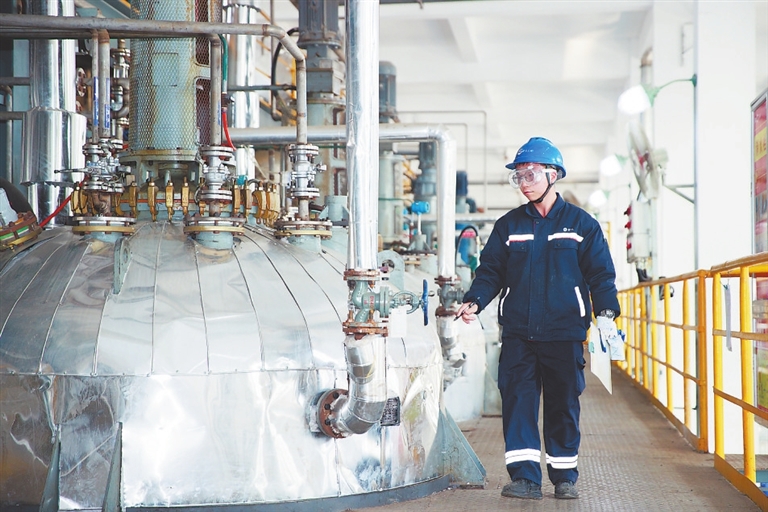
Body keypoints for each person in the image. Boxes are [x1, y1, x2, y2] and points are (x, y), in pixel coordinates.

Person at [456, 137, 621, 500]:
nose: (524, 183)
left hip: (564, 332)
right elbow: (490, 271)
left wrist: (607, 314)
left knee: (563, 405)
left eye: (529, 174)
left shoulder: (582, 224)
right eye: (518, 176)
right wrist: (475, 300)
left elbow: (600, 275)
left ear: (553, 174)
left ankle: (564, 477)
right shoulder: (509, 226)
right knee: (518, 403)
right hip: (519, 333)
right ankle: (525, 479)